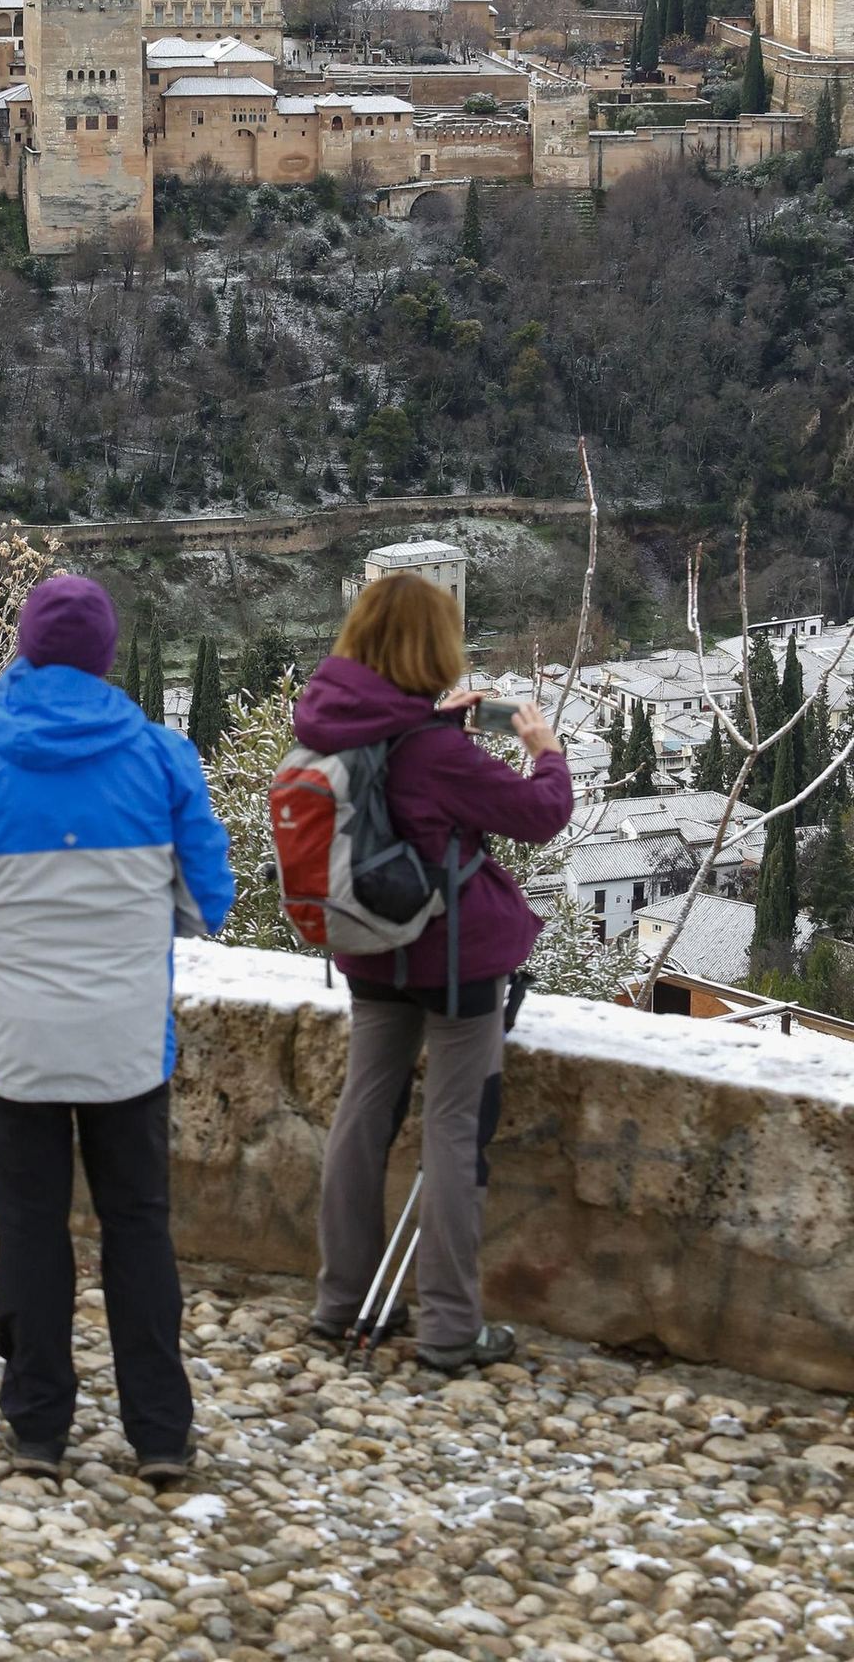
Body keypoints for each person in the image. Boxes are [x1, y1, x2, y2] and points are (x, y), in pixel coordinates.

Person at [0, 575, 233, 1485]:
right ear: (107, 655)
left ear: (25, 648)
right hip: (129, 1045)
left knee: (33, 1230)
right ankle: (160, 1433)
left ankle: (38, 1428)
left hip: (15, 1046)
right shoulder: (165, 758)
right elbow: (210, 904)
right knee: (139, 1229)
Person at [292, 573, 573, 1370]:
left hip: (367, 945)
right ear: (433, 648)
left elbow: (397, 786)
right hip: (455, 962)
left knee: (362, 1112)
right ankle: (451, 1327)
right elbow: (539, 814)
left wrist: (440, 726)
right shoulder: (436, 750)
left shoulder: (329, 726)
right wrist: (544, 753)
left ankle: (338, 1299)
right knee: (454, 1128)